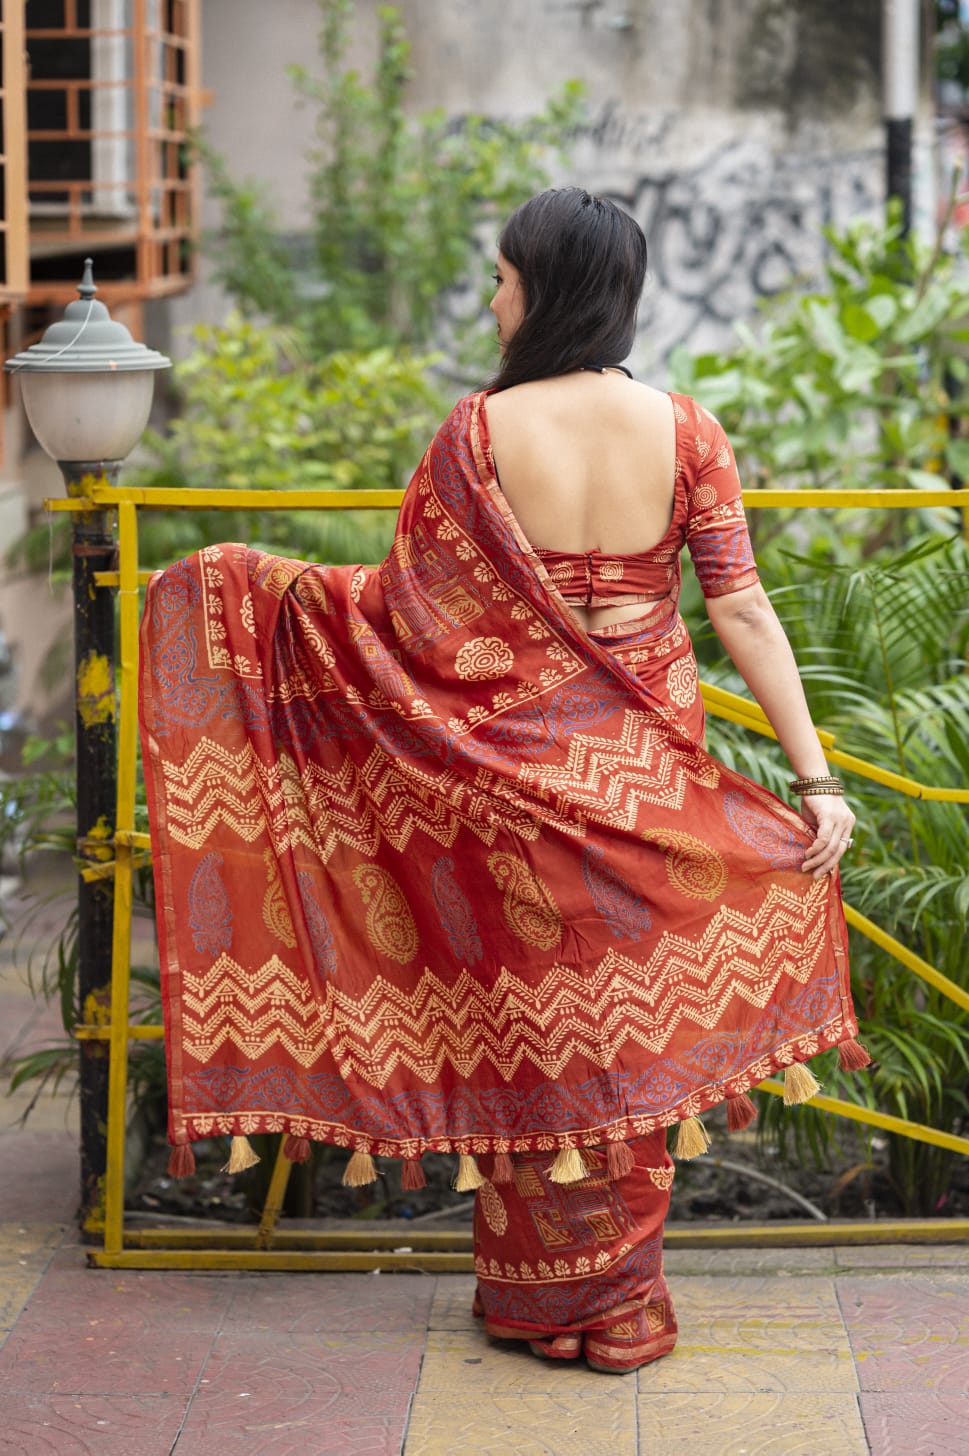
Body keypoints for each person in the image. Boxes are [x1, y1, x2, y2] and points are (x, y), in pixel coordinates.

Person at [139, 188, 863, 1378]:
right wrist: (813, 776)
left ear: (546, 288)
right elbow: (739, 606)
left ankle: (540, 1302)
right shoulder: (687, 431)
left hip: (504, 786)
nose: (492, 299)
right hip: (647, 785)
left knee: (533, 1036)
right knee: (630, 1042)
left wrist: (245, 585)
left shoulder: (475, 438)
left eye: (501, 277)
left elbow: (403, 619)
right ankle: (622, 1307)